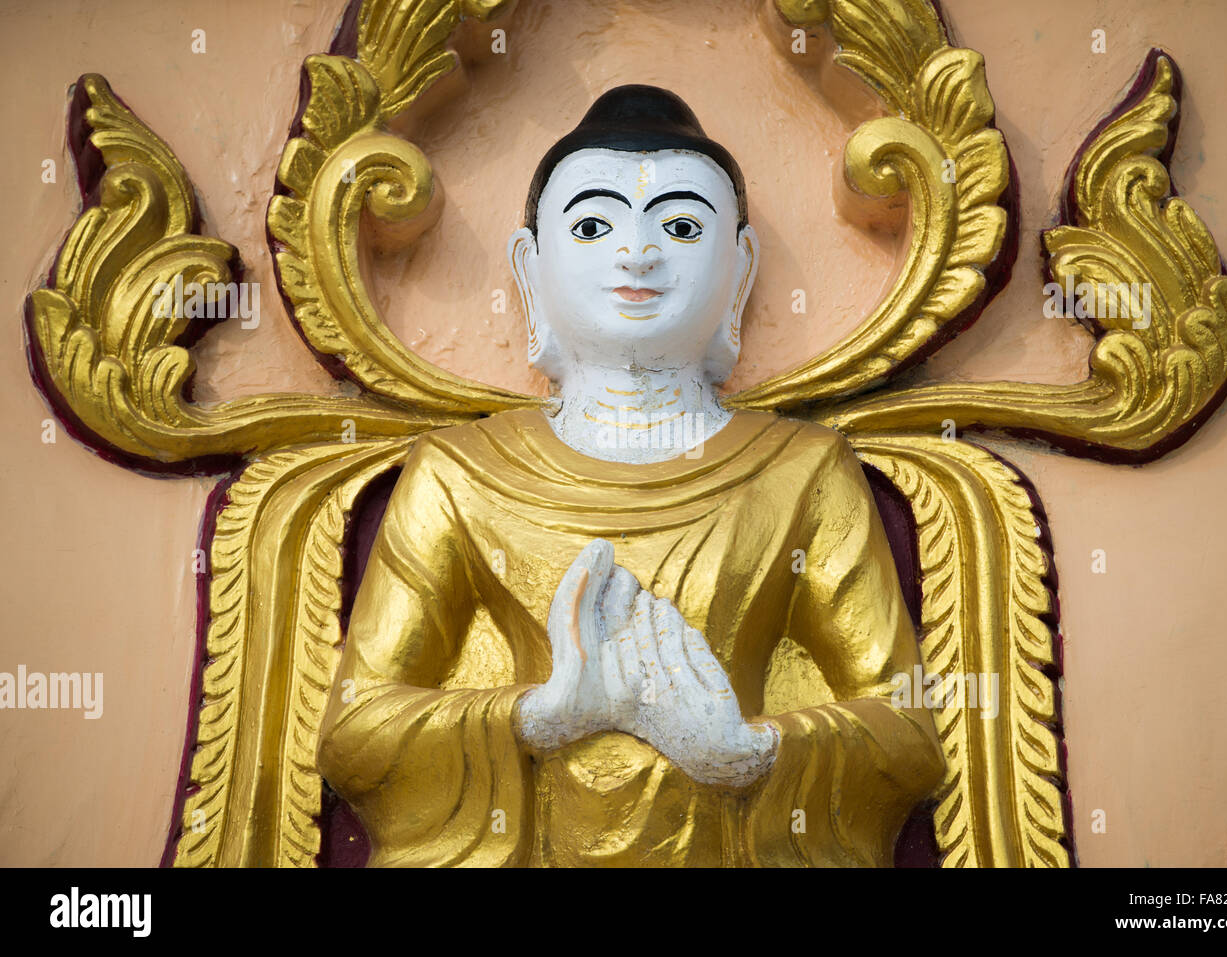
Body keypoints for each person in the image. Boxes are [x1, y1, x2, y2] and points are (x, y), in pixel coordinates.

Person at [317, 85, 944, 866]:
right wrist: (543, 715)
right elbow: (354, 731)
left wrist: (745, 752)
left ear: (739, 267)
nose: (637, 252)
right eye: (591, 225)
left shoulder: (801, 470)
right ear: (530, 265)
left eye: (681, 226)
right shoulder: (460, 473)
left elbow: (908, 728)